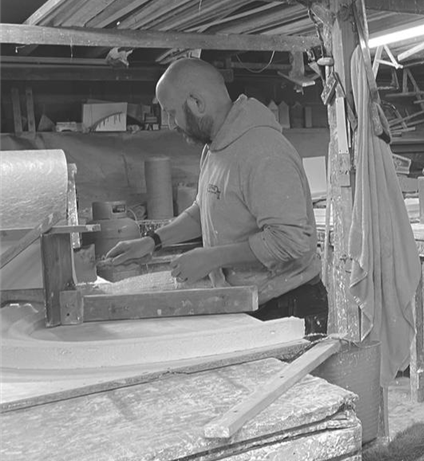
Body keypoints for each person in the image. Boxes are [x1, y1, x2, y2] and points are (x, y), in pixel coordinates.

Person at [106, 58, 327, 334]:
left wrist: (212, 258)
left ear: (197, 103)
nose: (171, 124)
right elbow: (206, 209)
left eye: (172, 112)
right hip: (250, 300)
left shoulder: (263, 153)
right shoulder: (216, 146)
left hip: (288, 307)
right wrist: (153, 241)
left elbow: (292, 242)